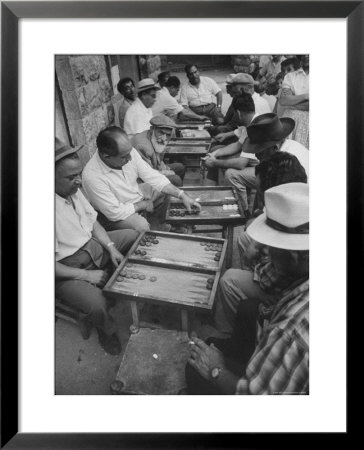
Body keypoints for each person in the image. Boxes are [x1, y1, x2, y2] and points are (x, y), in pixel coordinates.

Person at [186, 183, 309, 394]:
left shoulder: (287, 333)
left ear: (294, 255)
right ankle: (248, 355)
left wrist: (216, 369)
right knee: (249, 308)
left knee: (194, 369)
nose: (267, 251)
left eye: (272, 246)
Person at [55, 138, 139, 355]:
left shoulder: (74, 191)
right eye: (71, 177)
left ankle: (111, 277)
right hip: (67, 269)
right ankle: (107, 331)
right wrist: (85, 275)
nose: (79, 181)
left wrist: (111, 247)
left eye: (78, 174)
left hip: (91, 248)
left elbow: (94, 223)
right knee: (97, 304)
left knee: (132, 235)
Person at [82, 127, 201, 233]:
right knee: (142, 226)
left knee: (171, 185)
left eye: (129, 153)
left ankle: (159, 224)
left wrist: (182, 195)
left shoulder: (128, 152)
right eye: (124, 157)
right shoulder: (92, 177)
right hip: (115, 213)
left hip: (136, 194)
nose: (130, 158)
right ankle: (154, 228)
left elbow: (153, 176)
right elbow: (115, 213)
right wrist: (143, 204)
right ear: (106, 156)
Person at [225, 113, 309, 213]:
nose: (255, 155)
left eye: (259, 151)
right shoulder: (287, 149)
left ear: (274, 148)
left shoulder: (287, 164)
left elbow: (284, 206)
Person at [132, 114, 185, 187]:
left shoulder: (155, 138)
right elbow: (146, 175)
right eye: (161, 132)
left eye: (168, 134)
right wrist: (166, 172)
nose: (164, 138)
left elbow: (159, 161)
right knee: (176, 179)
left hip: (153, 169)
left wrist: (165, 169)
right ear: (152, 129)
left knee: (180, 167)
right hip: (140, 180)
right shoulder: (142, 146)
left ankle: (171, 193)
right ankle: (174, 193)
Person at [279, 55, 309, 148]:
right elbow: (283, 101)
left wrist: (291, 103)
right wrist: (307, 96)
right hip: (290, 121)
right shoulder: (290, 76)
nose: (306, 55)